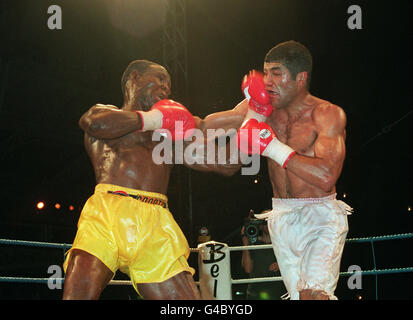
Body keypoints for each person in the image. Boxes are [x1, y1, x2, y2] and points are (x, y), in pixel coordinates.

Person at [62, 59, 239, 300]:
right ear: (134, 78)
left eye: (169, 84)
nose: (166, 88)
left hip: (156, 222)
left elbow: (225, 163)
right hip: (106, 214)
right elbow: (95, 124)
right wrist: (155, 118)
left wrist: (255, 126)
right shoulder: (104, 112)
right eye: (160, 79)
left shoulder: (167, 137)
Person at [198, 40, 352, 300]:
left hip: (321, 216)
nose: (267, 81)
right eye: (265, 72)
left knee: (313, 294)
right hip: (281, 215)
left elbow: (326, 177)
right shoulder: (260, 108)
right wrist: (157, 121)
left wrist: (272, 148)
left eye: (277, 74)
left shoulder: (327, 114)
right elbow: (207, 125)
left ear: (300, 78)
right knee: (298, 296)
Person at [241, 210, 286, 300]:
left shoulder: (284, 243)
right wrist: (245, 240)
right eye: (264, 221)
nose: (268, 224)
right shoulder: (254, 243)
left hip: (278, 293)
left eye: (271, 220)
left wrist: (282, 264)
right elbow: (248, 269)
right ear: (260, 225)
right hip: (255, 293)